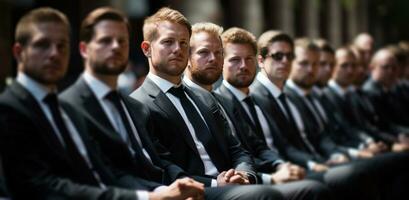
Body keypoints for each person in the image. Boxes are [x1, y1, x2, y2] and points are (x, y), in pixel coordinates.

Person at [0, 7, 204, 200]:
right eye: (42, 44)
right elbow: (43, 186)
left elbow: (102, 172)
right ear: (19, 52)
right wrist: (151, 197)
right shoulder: (11, 108)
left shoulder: (63, 108)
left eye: (61, 45)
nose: (54, 53)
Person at [129, 7, 284, 200]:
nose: (177, 49)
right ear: (146, 49)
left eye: (183, 43)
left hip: (235, 186)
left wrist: (244, 175)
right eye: (168, 42)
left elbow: (237, 149)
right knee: (270, 194)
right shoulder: (137, 104)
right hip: (195, 192)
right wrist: (214, 184)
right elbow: (162, 167)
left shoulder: (204, 97)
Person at [184, 23, 331, 200]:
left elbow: (252, 148)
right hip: (219, 186)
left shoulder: (228, 100)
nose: (243, 66)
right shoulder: (221, 99)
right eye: (235, 59)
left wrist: (279, 166)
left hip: (250, 178)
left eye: (218, 53)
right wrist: (269, 178)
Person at [249, 31, 380, 200]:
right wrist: (313, 163)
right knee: (355, 174)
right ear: (261, 60)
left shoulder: (288, 95)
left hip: (311, 161)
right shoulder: (255, 95)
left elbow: (317, 136)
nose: (285, 61)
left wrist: (333, 156)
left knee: (371, 169)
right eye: (278, 56)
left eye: (289, 56)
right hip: (284, 170)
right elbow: (277, 147)